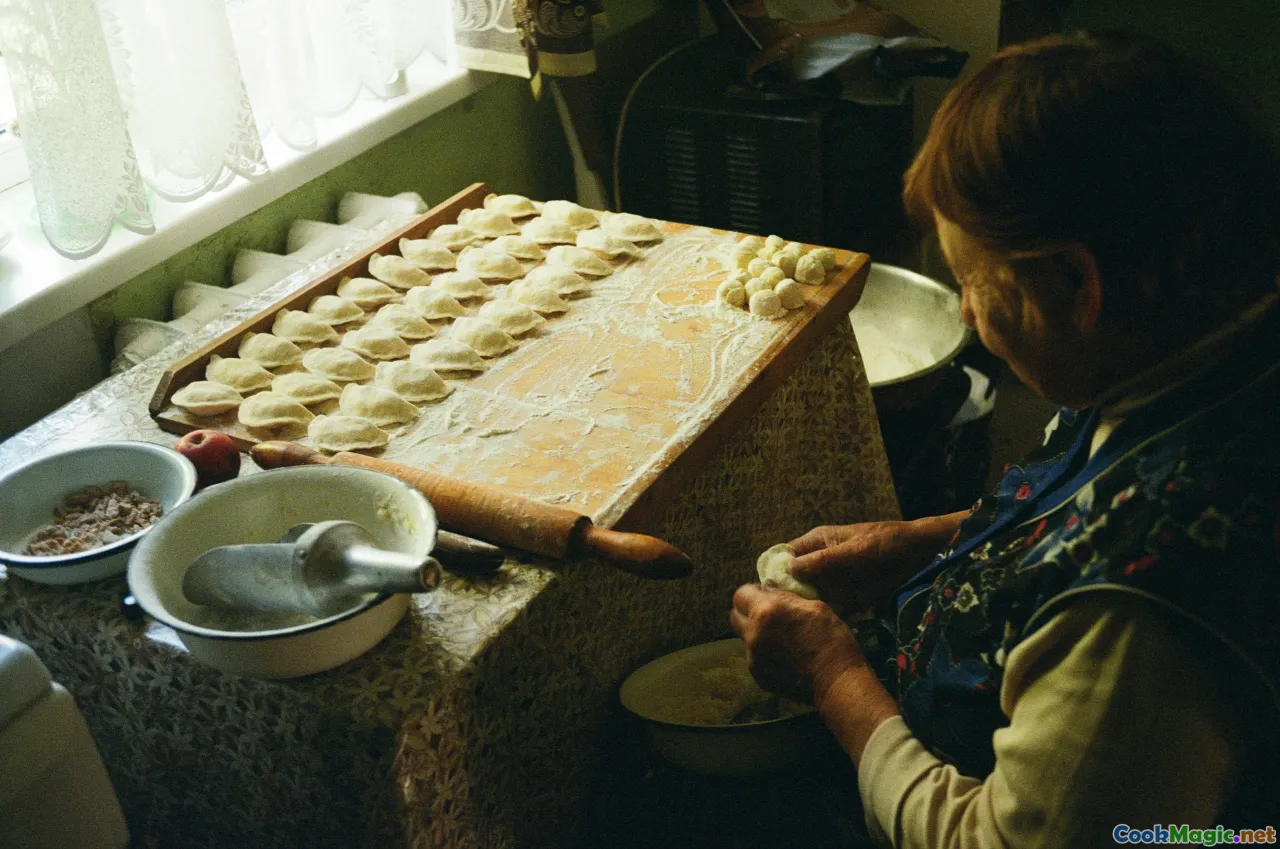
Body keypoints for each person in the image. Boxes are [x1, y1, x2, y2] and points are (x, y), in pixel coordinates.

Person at [730, 30, 1280, 847]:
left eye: (973, 283)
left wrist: (832, 676)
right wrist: (926, 541)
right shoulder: (1197, 332)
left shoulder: (1142, 625)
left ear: (1076, 283)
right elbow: (1091, 497)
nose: (966, 314)